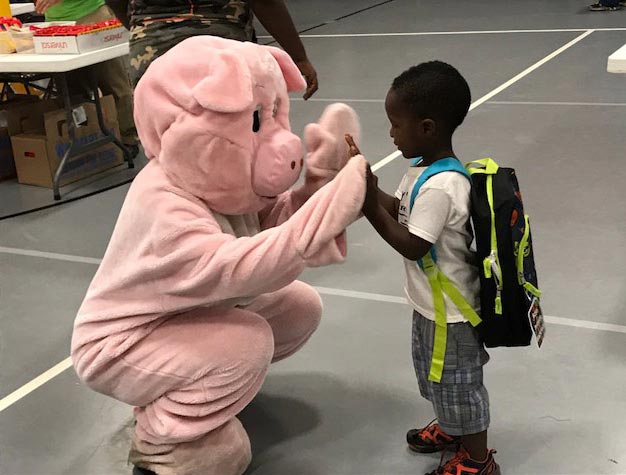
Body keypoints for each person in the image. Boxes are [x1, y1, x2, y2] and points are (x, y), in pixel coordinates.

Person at [349, 61, 500, 475]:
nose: (391, 133)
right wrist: (369, 186)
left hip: (452, 314)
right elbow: (402, 213)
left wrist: (366, 206)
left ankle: (477, 460)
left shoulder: (443, 185)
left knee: (459, 384)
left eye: (396, 124)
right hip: (431, 306)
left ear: (428, 127)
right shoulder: (421, 171)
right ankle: (454, 429)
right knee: (437, 379)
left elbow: (414, 245)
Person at [105, 0, 318, 98]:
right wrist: (298, 57)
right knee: (238, 149)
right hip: (223, 48)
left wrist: (145, 31)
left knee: (165, 152)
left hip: (152, 52)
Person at [34, 0, 140, 155]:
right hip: (56, 23)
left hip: (93, 16)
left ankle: (128, 139)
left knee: (114, 83)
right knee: (72, 91)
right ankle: (87, 137)